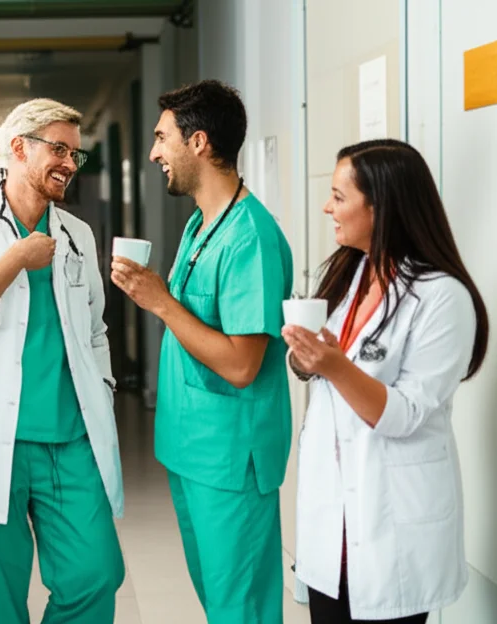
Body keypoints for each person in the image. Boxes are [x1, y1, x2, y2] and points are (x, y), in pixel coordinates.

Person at [0, 98, 125, 624]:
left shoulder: (77, 233)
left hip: (69, 435)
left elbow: (95, 329)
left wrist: (102, 389)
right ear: (18, 147)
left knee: (96, 574)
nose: (69, 163)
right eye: (59, 149)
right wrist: (13, 260)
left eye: (75, 154)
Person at [284, 139, 489, 624]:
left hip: (391, 529)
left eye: (339, 196)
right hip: (330, 524)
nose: (327, 207)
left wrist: (334, 365)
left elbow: (406, 415)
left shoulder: (442, 297)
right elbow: (328, 373)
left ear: (381, 207)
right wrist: (308, 359)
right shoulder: (349, 275)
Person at [111, 80, 293, 623]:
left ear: (198, 142)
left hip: (230, 459)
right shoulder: (200, 223)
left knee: (241, 610)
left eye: (162, 137)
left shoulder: (250, 237)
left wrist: (160, 302)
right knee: (219, 604)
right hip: (191, 449)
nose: (154, 153)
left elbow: (242, 364)